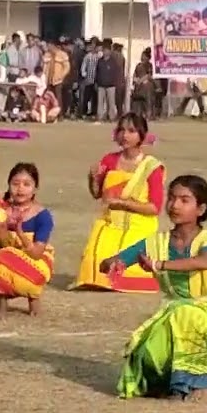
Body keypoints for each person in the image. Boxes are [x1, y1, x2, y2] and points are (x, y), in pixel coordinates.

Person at [104, 174, 207, 400]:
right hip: (174, 311)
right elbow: (111, 261)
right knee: (146, 355)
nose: (175, 205)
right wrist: (114, 264)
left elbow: (203, 261)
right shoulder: (157, 241)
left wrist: (159, 264)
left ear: (201, 209)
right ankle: (171, 382)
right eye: (172, 198)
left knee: (188, 316)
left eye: (185, 200)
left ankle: (189, 384)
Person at [72, 112, 165, 293]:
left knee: (129, 269)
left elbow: (154, 208)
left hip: (139, 227)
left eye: (131, 131)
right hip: (110, 224)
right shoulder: (110, 160)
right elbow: (97, 194)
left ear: (142, 135)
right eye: (121, 130)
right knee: (94, 267)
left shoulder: (151, 167)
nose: (125, 135)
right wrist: (93, 178)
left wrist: (123, 204)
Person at [0, 163, 55, 316]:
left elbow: (36, 254)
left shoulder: (42, 215)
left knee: (2, 257)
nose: (20, 189)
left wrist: (20, 233)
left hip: (36, 262)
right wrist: (1, 228)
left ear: (35, 189)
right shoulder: (1, 211)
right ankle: (1, 303)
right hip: (6, 258)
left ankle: (33, 299)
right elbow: (1, 245)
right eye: (15, 184)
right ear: (8, 185)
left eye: (26, 184)